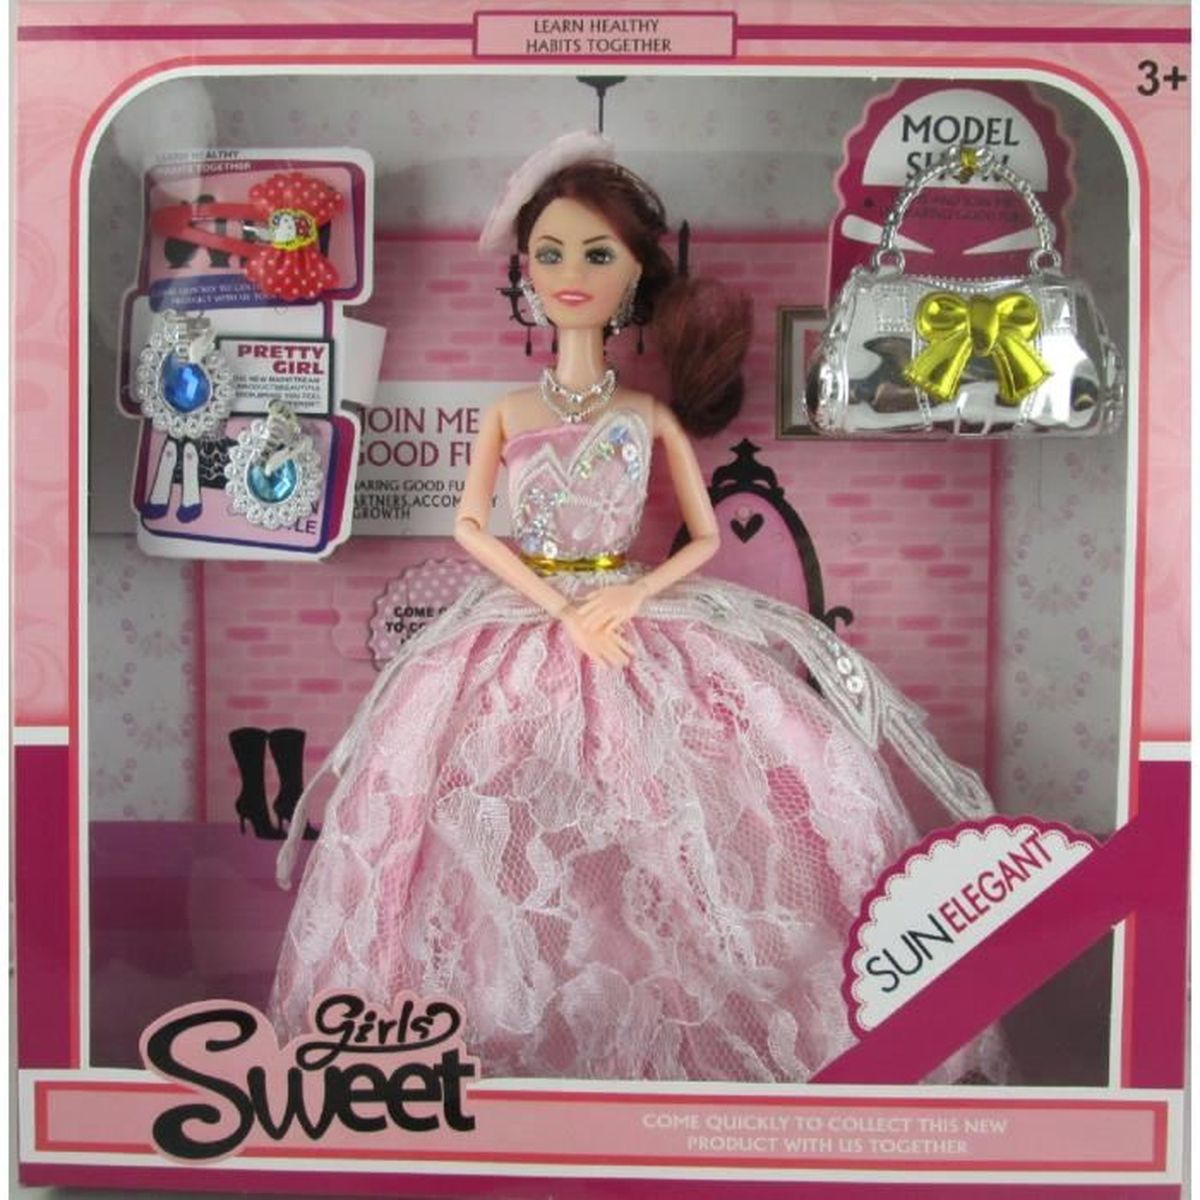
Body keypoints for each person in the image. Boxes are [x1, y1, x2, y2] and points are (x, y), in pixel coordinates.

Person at [270, 133, 1004, 1083]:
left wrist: (628, 593)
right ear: (525, 274)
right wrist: (557, 606)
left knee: (683, 818)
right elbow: (470, 527)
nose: (571, 275)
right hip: (524, 622)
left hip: (634, 612)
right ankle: (486, 1028)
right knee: (477, 815)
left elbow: (700, 540)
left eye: (597, 254)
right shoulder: (508, 412)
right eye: (550, 254)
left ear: (635, 278)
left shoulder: (647, 419)